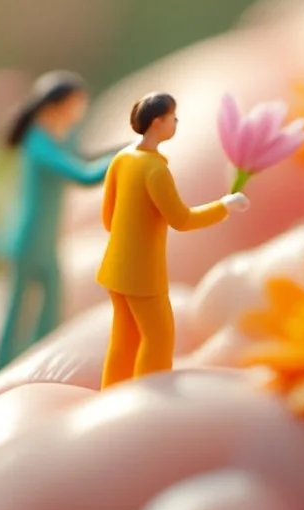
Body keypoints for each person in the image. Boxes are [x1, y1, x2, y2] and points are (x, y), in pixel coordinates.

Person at [97, 93, 248, 387]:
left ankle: (110, 395)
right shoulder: (156, 171)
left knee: (123, 340)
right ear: (158, 122)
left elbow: (107, 218)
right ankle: (145, 400)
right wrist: (224, 206)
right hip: (142, 276)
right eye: (173, 118)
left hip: (115, 269)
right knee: (158, 338)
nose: (175, 123)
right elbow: (182, 220)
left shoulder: (122, 159)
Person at [0, 71, 116, 372]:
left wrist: (125, 148)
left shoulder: (62, 135)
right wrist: (125, 157)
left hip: (47, 239)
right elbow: (82, 174)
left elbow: (84, 159)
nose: (79, 112)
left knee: (50, 308)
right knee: (18, 310)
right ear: (56, 106)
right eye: (76, 105)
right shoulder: (38, 142)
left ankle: (38, 365)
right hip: (29, 237)